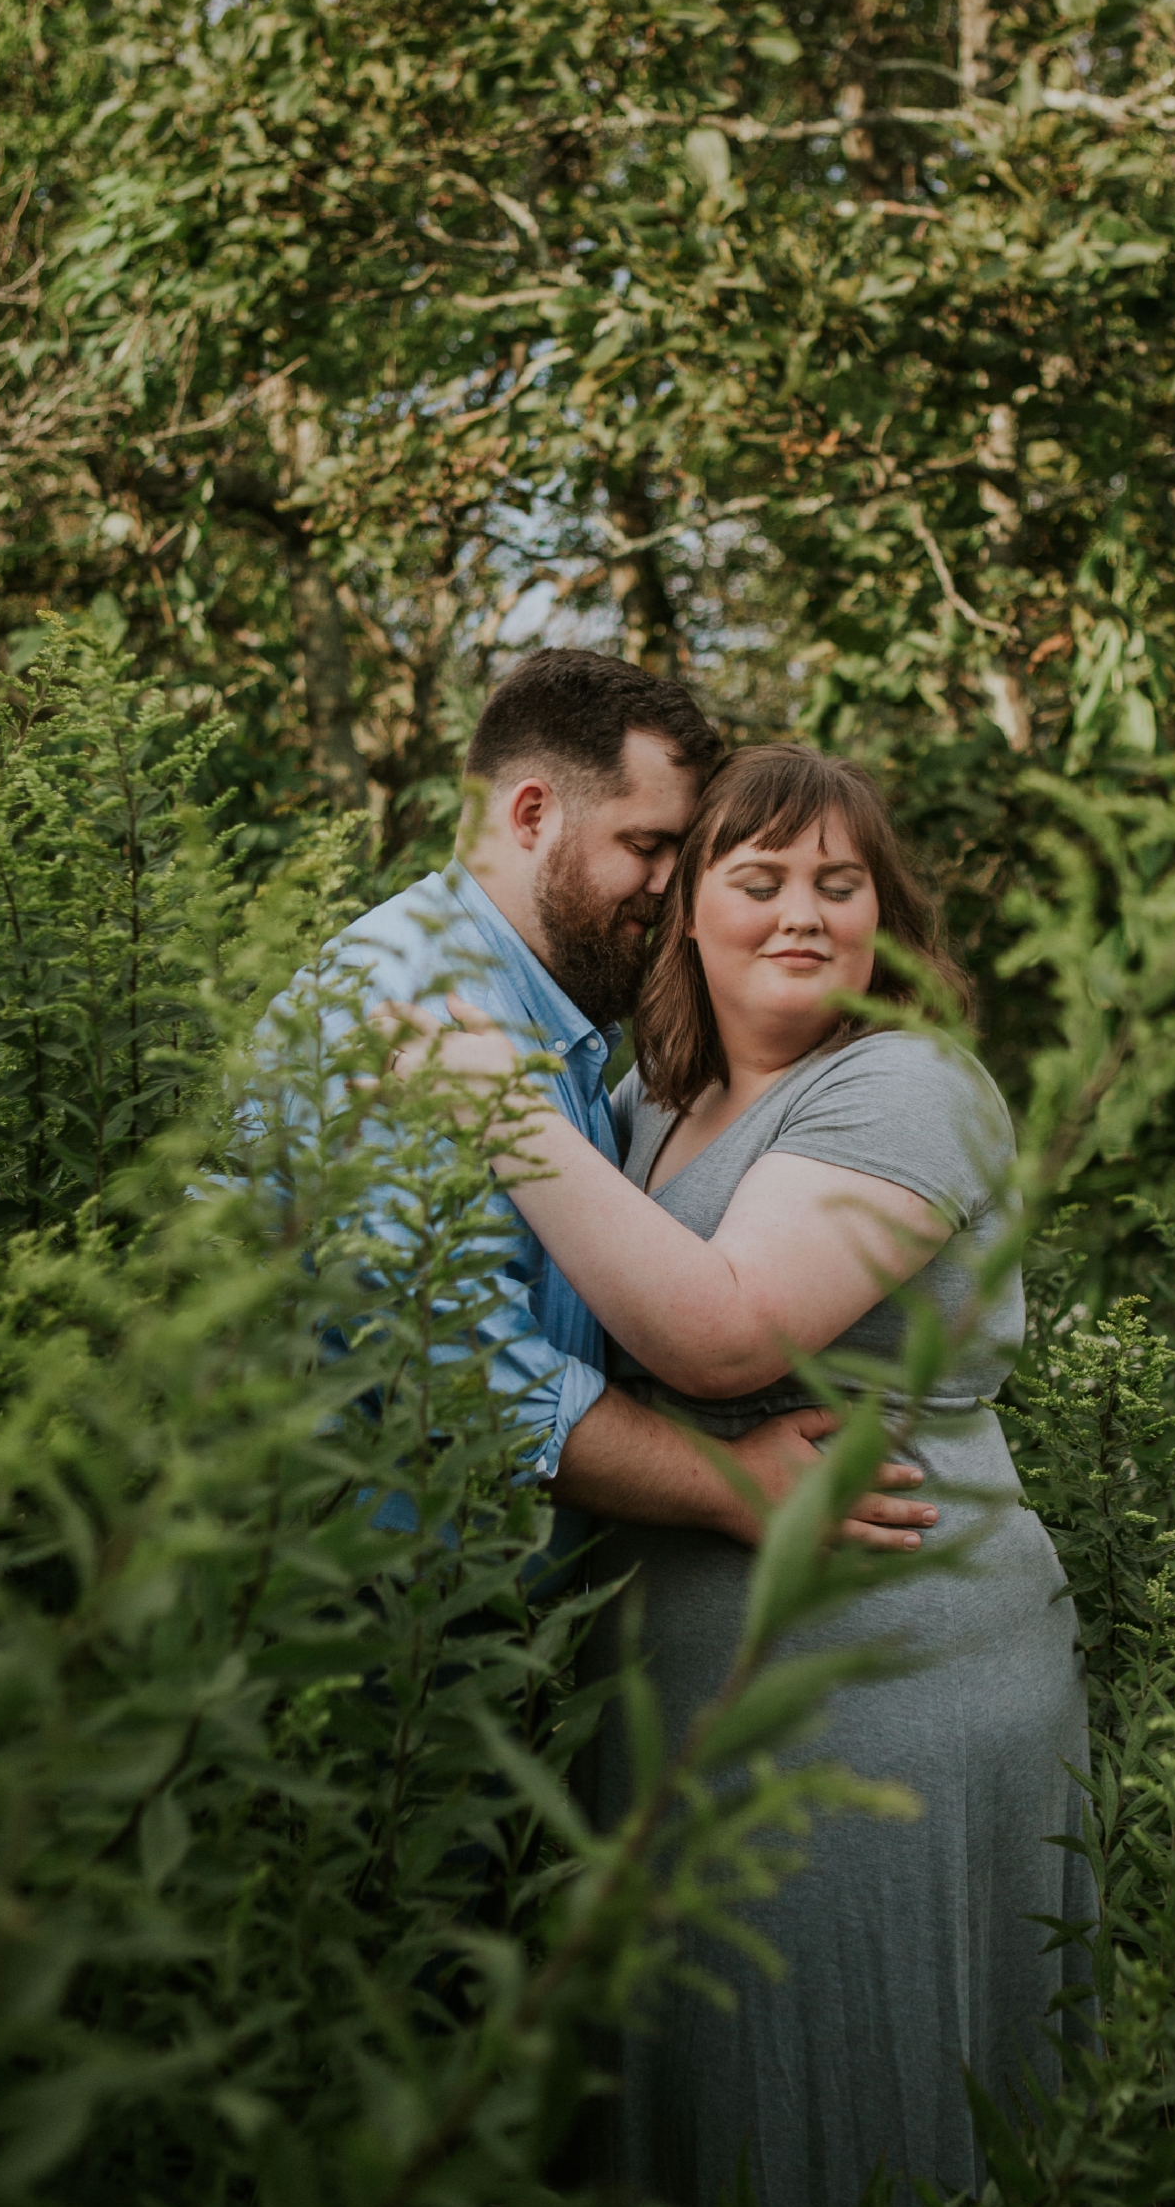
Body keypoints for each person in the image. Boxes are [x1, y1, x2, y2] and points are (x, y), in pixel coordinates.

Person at [389, 741, 1093, 2207]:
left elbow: (713, 1335)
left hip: (885, 1692)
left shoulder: (905, 1092)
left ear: (888, 919)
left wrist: (488, 1101)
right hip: (686, 1699)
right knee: (695, 2145)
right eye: (758, 875)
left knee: (850, 2130)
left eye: (840, 883)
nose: (800, 910)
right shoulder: (646, 1104)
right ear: (690, 904)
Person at [244, 651, 942, 1562]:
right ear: (532, 814)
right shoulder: (404, 1006)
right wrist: (726, 1481)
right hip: (383, 1637)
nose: (668, 887)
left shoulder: (553, 1026)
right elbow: (450, 1360)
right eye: (646, 847)